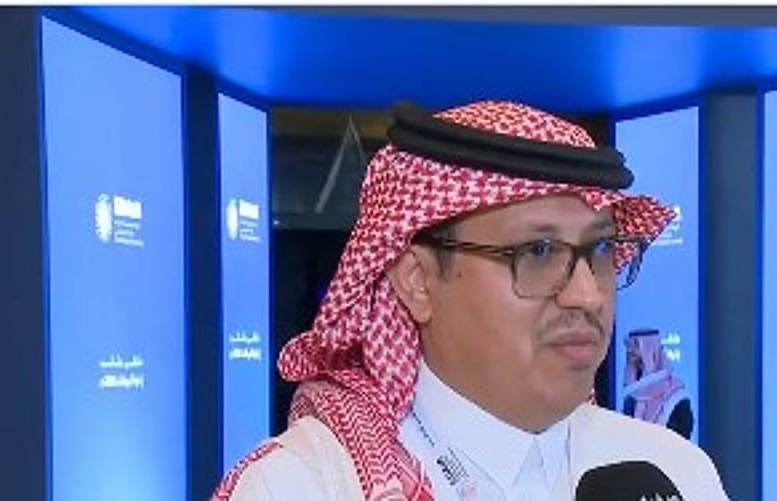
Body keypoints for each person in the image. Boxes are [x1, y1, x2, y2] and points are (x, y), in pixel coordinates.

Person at [214, 100, 728, 500]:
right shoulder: (304, 486)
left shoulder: (674, 473)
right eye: (539, 251)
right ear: (417, 281)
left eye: (600, 250)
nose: (588, 294)